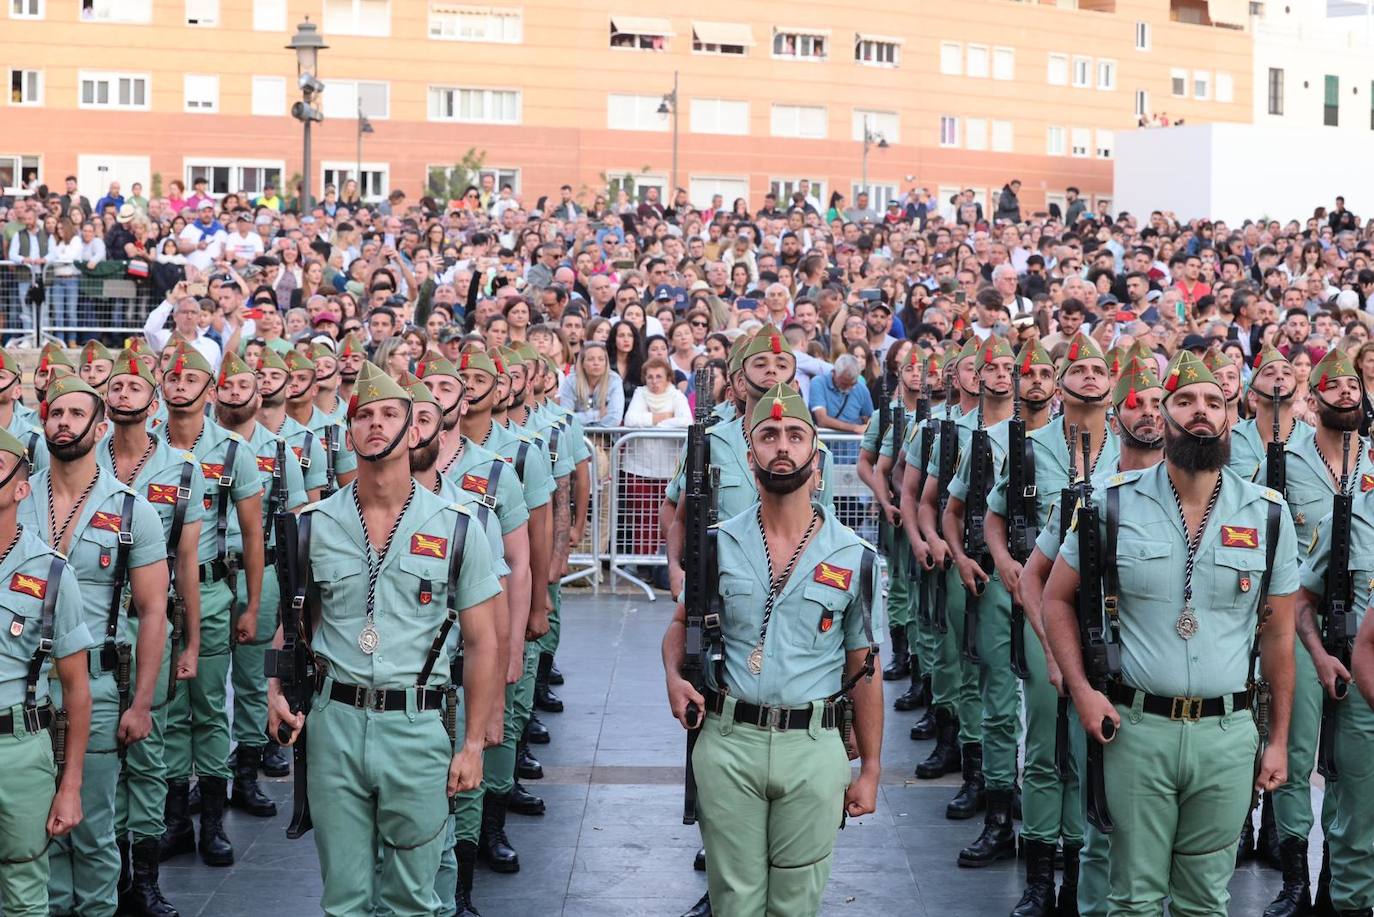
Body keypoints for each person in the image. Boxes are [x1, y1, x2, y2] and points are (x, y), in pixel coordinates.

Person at [1043, 349, 1298, 916]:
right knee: (1132, 899)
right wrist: (1082, 691)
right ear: (1166, 416)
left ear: (1230, 415)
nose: (1200, 411)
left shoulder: (1267, 514)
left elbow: (1279, 637)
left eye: (1213, 401)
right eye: (1184, 400)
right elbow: (1055, 597)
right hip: (1136, 729)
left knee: (1205, 901)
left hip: (1227, 734)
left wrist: (1277, 738)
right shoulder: (1107, 504)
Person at [267, 362, 502, 915]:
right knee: (344, 898)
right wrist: (275, 688)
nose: (376, 424)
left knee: (411, 900)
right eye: (363, 415)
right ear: (348, 434)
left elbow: (484, 642)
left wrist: (472, 745)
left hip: (416, 727)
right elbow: (294, 621)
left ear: (417, 430)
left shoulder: (457, 525)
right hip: (334, 725)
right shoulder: (312, 525)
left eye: (391, 413)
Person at [662, 382, 883, 917]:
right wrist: (673, 675)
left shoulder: (855, 556)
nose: (781, 445)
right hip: (729, 741)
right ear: (749, 452)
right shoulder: (714, 544)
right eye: (767, 435)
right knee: (733, 902)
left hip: (813, 746)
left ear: (817, 453)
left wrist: (872, 766)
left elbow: (864, 665)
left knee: (796, 906)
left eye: (794, 434)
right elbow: (679, 624)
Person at [24, 374, 169, 916]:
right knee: (39, 829)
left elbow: (154, 611)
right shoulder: (18, 498)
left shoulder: (134, 510)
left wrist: (142, 702)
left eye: (76, 414)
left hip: (101, 684)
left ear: (100, 427)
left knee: (92, 827)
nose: (63, 422)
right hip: (27, 687)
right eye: (55, 413)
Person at [1264, 346, 1374, 915]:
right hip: (1298, 617)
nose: (1347, 393)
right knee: (1297, 744)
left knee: (1353, 764)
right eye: (1333, 387)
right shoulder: (1285, 459)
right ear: (1315, 399)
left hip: (1360, 624)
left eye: (1353, 385)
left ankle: (1337, 874)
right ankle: (1294, 877)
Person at [100, 349, 204, 917]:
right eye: (114, 387)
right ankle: (105, 875)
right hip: (90, 628)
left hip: (149, 624)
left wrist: (189, 641)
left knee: (147, 750)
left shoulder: (182, 470)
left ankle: (144, 881)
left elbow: (185, 562)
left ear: (154, 399)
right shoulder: (78, 462)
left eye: (134, 388)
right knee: (93, 752)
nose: (122, 395)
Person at [157, 343, 264, 869]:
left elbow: (251, 531)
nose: (179, 386)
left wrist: (251, 604)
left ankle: (213, 822)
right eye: (171, 379)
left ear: (208, 391)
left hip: (215, 591)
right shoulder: (146, 446)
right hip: (158, 595)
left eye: (189, 379)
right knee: (171, 709)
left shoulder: (231, 451)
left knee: (209, 707)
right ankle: (176, 820)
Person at [0, 423, 92, 917]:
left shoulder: (52, 572)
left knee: (24, 890)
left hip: (20, 747)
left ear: (21, 488)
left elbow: (77, 689)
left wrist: (71, 785)